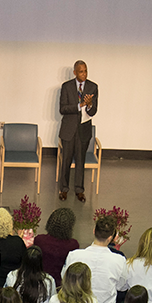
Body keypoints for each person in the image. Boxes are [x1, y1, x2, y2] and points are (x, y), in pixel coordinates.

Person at [64, 216, 126, 303]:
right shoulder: (119, 260)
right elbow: (122, 286)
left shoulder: (74, 256)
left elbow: (65, 279)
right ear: (111, 238)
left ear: (94, 231)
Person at [58, 60, 98, 202]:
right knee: (66, 161)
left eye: (86, 71)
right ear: (75, 72)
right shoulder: (66, 87)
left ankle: (79, 190)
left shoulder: (93, 87)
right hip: (68, 130)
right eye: (81, 71)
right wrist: (79, 105)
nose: (84, 74)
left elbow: (93, 112)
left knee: (81, 161)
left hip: (83, 131)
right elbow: (62, 109)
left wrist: (90, 104)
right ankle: (63, 189)